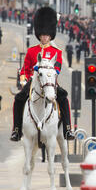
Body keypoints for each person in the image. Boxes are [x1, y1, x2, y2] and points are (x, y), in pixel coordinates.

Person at [10, 7, 76, 141]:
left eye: (47, 35)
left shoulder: (56, 52)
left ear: (50, 36)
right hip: (33, 82)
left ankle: (68, 129)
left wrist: (47, 72)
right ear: (39, 35)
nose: (44, 37)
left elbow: (57, 69)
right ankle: (16, 130)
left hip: (50, 82)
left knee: (63, 99)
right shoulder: (31, 51)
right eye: (42, 35)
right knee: (18, 99)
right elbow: (25, 68)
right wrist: (23, 78)